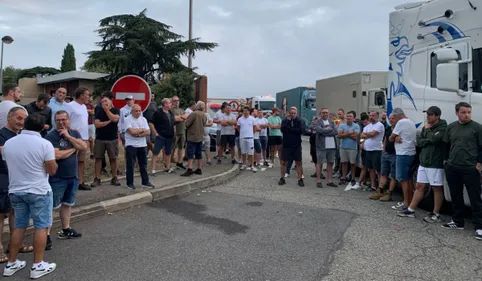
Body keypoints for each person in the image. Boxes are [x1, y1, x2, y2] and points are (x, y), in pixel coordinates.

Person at [2, 114, 58, 279]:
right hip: (38, 190)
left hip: (16, 190)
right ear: (43, 128)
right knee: (41, 226)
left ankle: (11, 263)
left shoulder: (8, 144)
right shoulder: (45, 144)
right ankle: (38, 265)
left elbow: (8, 165)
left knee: (19, 226)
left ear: (24, 125)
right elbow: (52, 170)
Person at [44, 110, 87, 250]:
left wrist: (69, 137)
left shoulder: (73, 133)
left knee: (67, 204)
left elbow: (84, 147)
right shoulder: (51, 136)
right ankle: (46, 236)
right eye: (58, 120)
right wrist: (74, 149)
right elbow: (57, 155)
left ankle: (65, 229)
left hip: (72, 176)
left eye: (64, 119)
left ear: (68, 120)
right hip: (57, 177)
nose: (61, 122)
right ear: (54, 121)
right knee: (51, 207)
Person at [398, 106, 446, 220]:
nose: (427, 116)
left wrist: (429, 132)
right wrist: (428, 138)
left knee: (436, 187)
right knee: (419, 186)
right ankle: (411, 209)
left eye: (430, 114)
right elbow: (419, 141)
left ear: (437, 116)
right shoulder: (426, 127)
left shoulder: (443, 127)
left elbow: (435, 140)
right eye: (427, 114)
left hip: (434, 162)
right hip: (424, 161)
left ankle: (436, 213)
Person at [442, 102, 482, 240]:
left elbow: (481, 147)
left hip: (470, 168)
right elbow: (447, 145)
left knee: (475, 198)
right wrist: (446, 161)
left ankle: (479, 227)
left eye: (469, 112)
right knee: (455, 195)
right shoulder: (451, 127)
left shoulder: (477, 127)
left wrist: (479, 163)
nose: (467, 115)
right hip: (453, 166)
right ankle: (458, 222)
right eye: (464, 112)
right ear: (457, 113)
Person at [0, 108, 32, 262]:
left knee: (14, 212)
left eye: (24, 119)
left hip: (17, 179)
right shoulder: (1, 135)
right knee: (1, 214)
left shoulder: (20, 136)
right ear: (9, 117)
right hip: (3, 178)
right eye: (18, 118)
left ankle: (16, 244)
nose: (21, 122)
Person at [91, 94, 121, 187]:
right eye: (102, 102)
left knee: (113, 158)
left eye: (106, 101)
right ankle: (97, 178)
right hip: (100, 138)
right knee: (98, 158)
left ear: (110, 101)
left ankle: (114, 177)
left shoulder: (116, 110)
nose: (104, 103)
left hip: (112, 138)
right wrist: (108, 122)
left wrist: (107, 111)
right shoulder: (99, 111)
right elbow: (97, 124)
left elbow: (115, 119)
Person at [64, 87, 91, 191]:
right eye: (87, 94)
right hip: (73, 138)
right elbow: (66, 121)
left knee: (81, 161)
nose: (88, 97)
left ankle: (80, 181)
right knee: (71, 160)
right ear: (81, 95)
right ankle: (70, 182)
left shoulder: (84, 106)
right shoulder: (70, 106)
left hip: (84, 138)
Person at [389, 108, 416, 211]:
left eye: (394, 117)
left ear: (398, 116)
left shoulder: (401, 122)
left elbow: (391, 138)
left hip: (402, 153)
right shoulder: (410, 122)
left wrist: (394, 138)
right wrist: (396, 137)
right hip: (410, 153)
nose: (393, 120)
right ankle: (409, 202)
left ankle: (406, 203)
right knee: (408, 180)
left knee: (403, 180)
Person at [368, 113, 398, 200]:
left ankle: (389, 193)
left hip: (394, 154)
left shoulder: (399, 130)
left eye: (393, 118)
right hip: (386, 154)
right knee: (384, 173)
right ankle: (380, 191)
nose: (391, 120)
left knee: (393, 175)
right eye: (390, 118)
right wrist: (384, 151)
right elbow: (385, 140)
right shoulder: (388, 129)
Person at [124, 104, 154, 189]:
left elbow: (148, 132)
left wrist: (138, 134)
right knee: (130, 165)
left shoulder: (143, 119)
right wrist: (141, 130)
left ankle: (145, 182)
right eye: (136, 111)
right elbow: (131, 132)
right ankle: (129, 183)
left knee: (143, 164)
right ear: (132, 111)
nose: (138, 112)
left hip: (142, 145)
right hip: (131, 145)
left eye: (139, 111)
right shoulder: (128, 119)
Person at [279, 107, 305, 187]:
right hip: (286, 145)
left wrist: (290, 129)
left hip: (296, 145)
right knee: (283, 162)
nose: (293, 115)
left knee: (298, 162)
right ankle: (282, 178)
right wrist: (288, 123)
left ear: (296, 113)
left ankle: (300, 179)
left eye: (294, 113)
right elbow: (282, 129)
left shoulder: (300, 121)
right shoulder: (285, 120)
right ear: (289, 113)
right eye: (291, 113)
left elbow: (300, 130)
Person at [150, 98, 175, 175]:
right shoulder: (158, 113)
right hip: (161, 136)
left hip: (170, 136)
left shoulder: (171, 113)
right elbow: (151, 123)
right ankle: (153, 169)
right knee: (156, 152)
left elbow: (173, 123)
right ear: (165, 104)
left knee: (168, 152)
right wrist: (156, 133)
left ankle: (167, 167)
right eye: (169, 103)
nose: (171, 104)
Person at [181, 101, 207, 176]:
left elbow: (187, 124)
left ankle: (189, 169)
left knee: (190, 153)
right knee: (199, 153)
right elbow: (204, 123)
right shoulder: (204, 115)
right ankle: (199, 168)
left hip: (192, 136)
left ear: (197, 106)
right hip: (200, 135)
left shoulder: (194, 114)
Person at [361, 111, 385, 192]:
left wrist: (368, 134)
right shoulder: (368, 126)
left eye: (373, 115)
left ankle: (380, 187)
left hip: (377, 150)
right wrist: (369, 134)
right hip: (368, 150)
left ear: (377, 116)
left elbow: (372, 134)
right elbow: (362, 135)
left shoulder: (379, 125)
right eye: (370, 115)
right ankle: (373, 185)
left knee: (378, 169)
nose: (371, 117)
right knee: (370, 169)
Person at [314, 108, 338, 188]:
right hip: (321, 146)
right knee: (319, 163)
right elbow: (319, 130)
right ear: (320, 113)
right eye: (323, 112)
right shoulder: (317, 122)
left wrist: (325, 131)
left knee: (330, 163)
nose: (325, 114)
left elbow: (336, 131)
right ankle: (318, 180)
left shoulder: (332, 122)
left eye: (326, 112)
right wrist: (328, 130)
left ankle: (329, 180)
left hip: (332, 146)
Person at [337, 111, 360, 185]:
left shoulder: (356, 126)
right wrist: (349, 133)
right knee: (344, 163)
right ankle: (344, 177)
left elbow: (355, 137)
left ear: (354, 118)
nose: (349, 117)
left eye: (350, 116)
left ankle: (352, 178)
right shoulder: (342, 125)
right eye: (348, 116)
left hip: (352, 147)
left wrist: (344, 134)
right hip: (343, 147)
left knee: (352, 163)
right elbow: (339, 136)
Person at [237, 106, 258, 172]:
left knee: (251, 153)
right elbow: (238, 128)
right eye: (244, 111)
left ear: (249, 111)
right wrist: (242, 133)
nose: (245, 112)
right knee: (243, 152)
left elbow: (254, 128)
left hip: (250, 138)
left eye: (246, 111)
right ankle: (244, 164)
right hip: (242, 138)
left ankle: (252, 165)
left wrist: (251, 134)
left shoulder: (252, 119)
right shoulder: (240, 119)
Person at [170, 96, 188, 169]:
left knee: (181, 148)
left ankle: (179, 162)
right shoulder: (171, 110)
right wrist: (182, 117)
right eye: (175, 100)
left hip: (182, 131)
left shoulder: (182, 109)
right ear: (172, 102)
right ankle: (169, 162)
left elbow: (186, 116)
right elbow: (175, 119)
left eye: (177, 100)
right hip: (175, 131)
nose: (176, 102)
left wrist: (180, 117)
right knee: (172, 148)